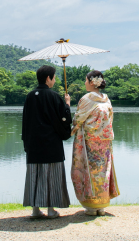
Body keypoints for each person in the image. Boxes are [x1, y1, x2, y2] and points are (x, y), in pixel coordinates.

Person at [21, 64, 72, 219]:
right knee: (52, 176)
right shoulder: (54, 96)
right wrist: (67, 104)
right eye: (54, 77)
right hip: (51, 145)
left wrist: (27, 142)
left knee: (34, 176)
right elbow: (65, 119)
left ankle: (35, 210)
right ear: (48, 78)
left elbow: (25, 122)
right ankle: (51, 210)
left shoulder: (30, 96)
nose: (55, 80)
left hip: (34, 145)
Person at [70, 69, 120, 216]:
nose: (85, 83)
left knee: (90, 171)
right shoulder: (106, 99)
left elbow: (78, 119)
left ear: (92, 82)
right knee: (103, 172)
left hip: (90, 142)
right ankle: (101, 205)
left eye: (86, 80)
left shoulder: (87, 99)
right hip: (104, 142)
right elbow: (110, 120)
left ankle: (92, 205)